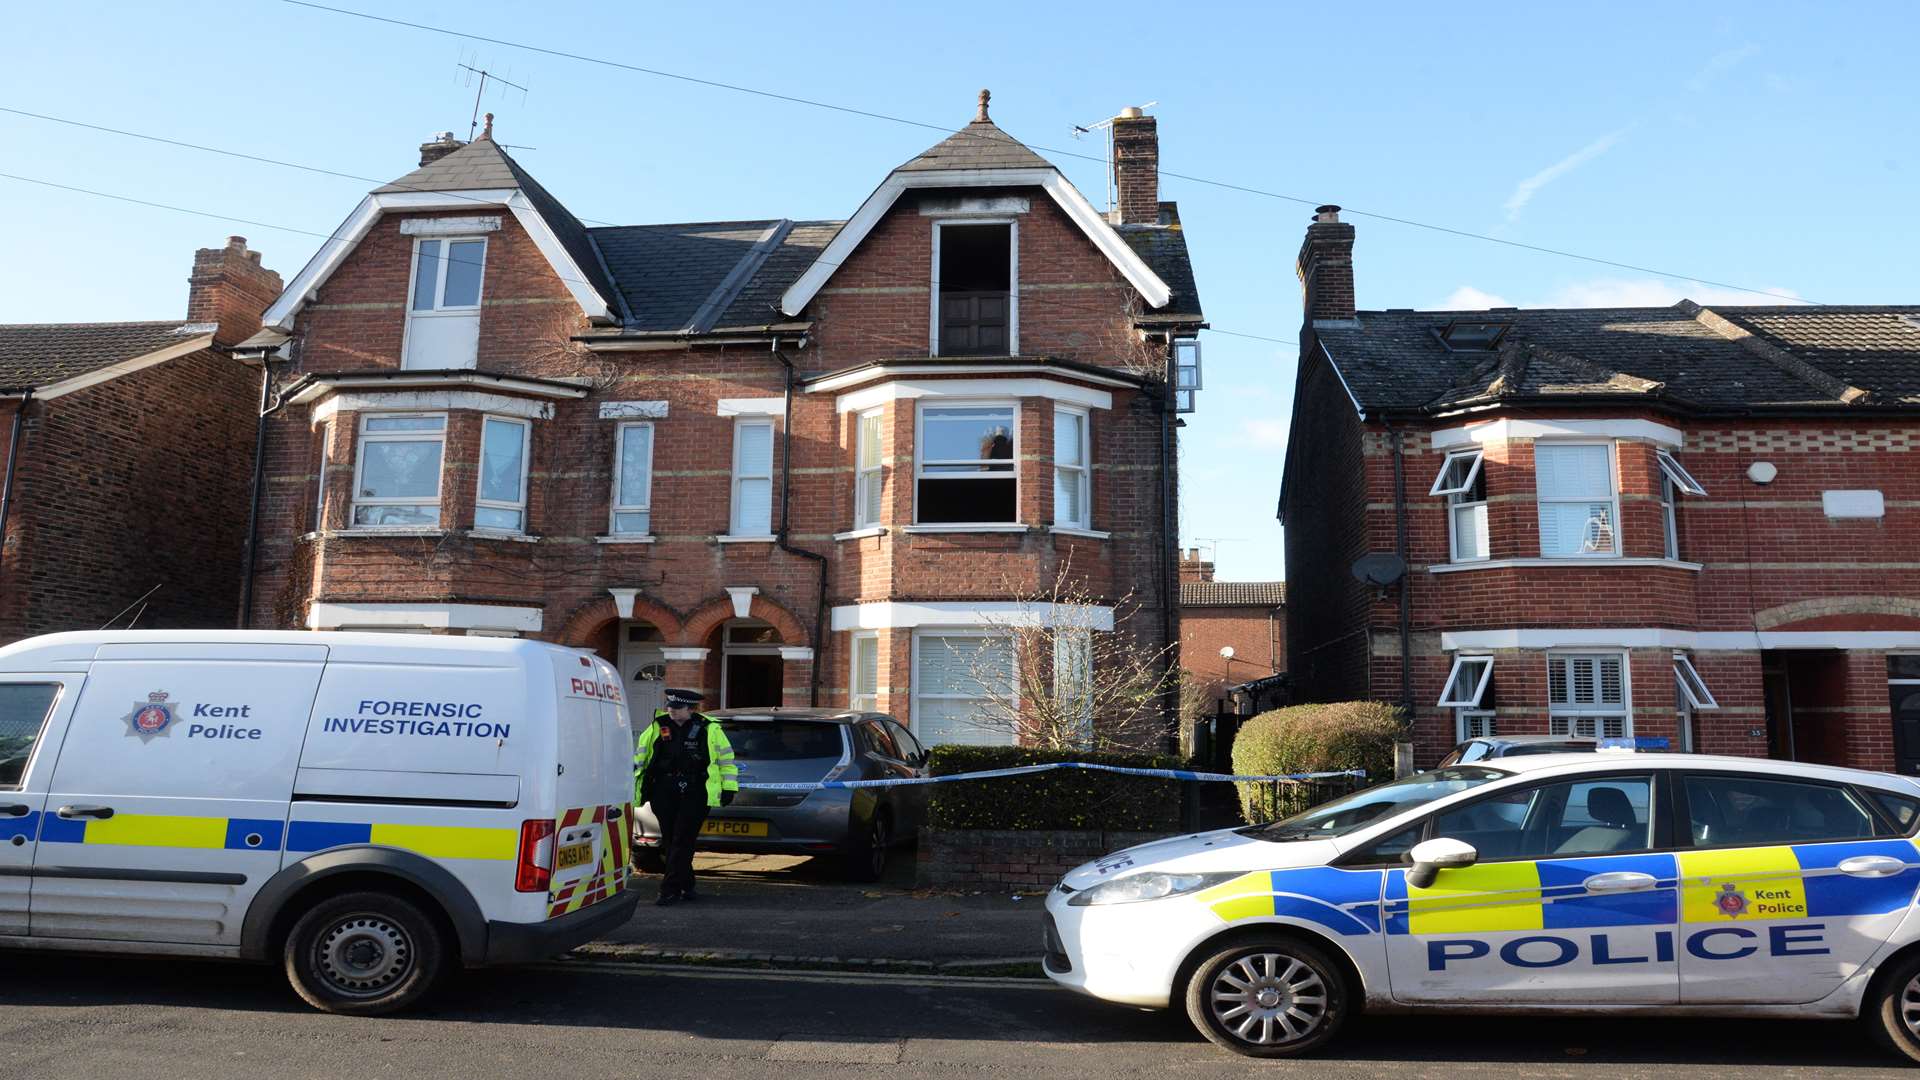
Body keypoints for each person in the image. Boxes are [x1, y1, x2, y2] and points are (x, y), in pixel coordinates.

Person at [634, 687, 738, 906]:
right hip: (663, 790)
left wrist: (729, 787)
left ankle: (668, 890)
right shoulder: (657, 727)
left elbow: (725, 761)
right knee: (672, 840)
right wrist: (637, 786)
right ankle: (687, 884)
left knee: (682, 838)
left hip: (696, 790)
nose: (671, 710)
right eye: (669, 706)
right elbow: (641, 758)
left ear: (691, 708)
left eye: (677, 707)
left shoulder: (709, 729)